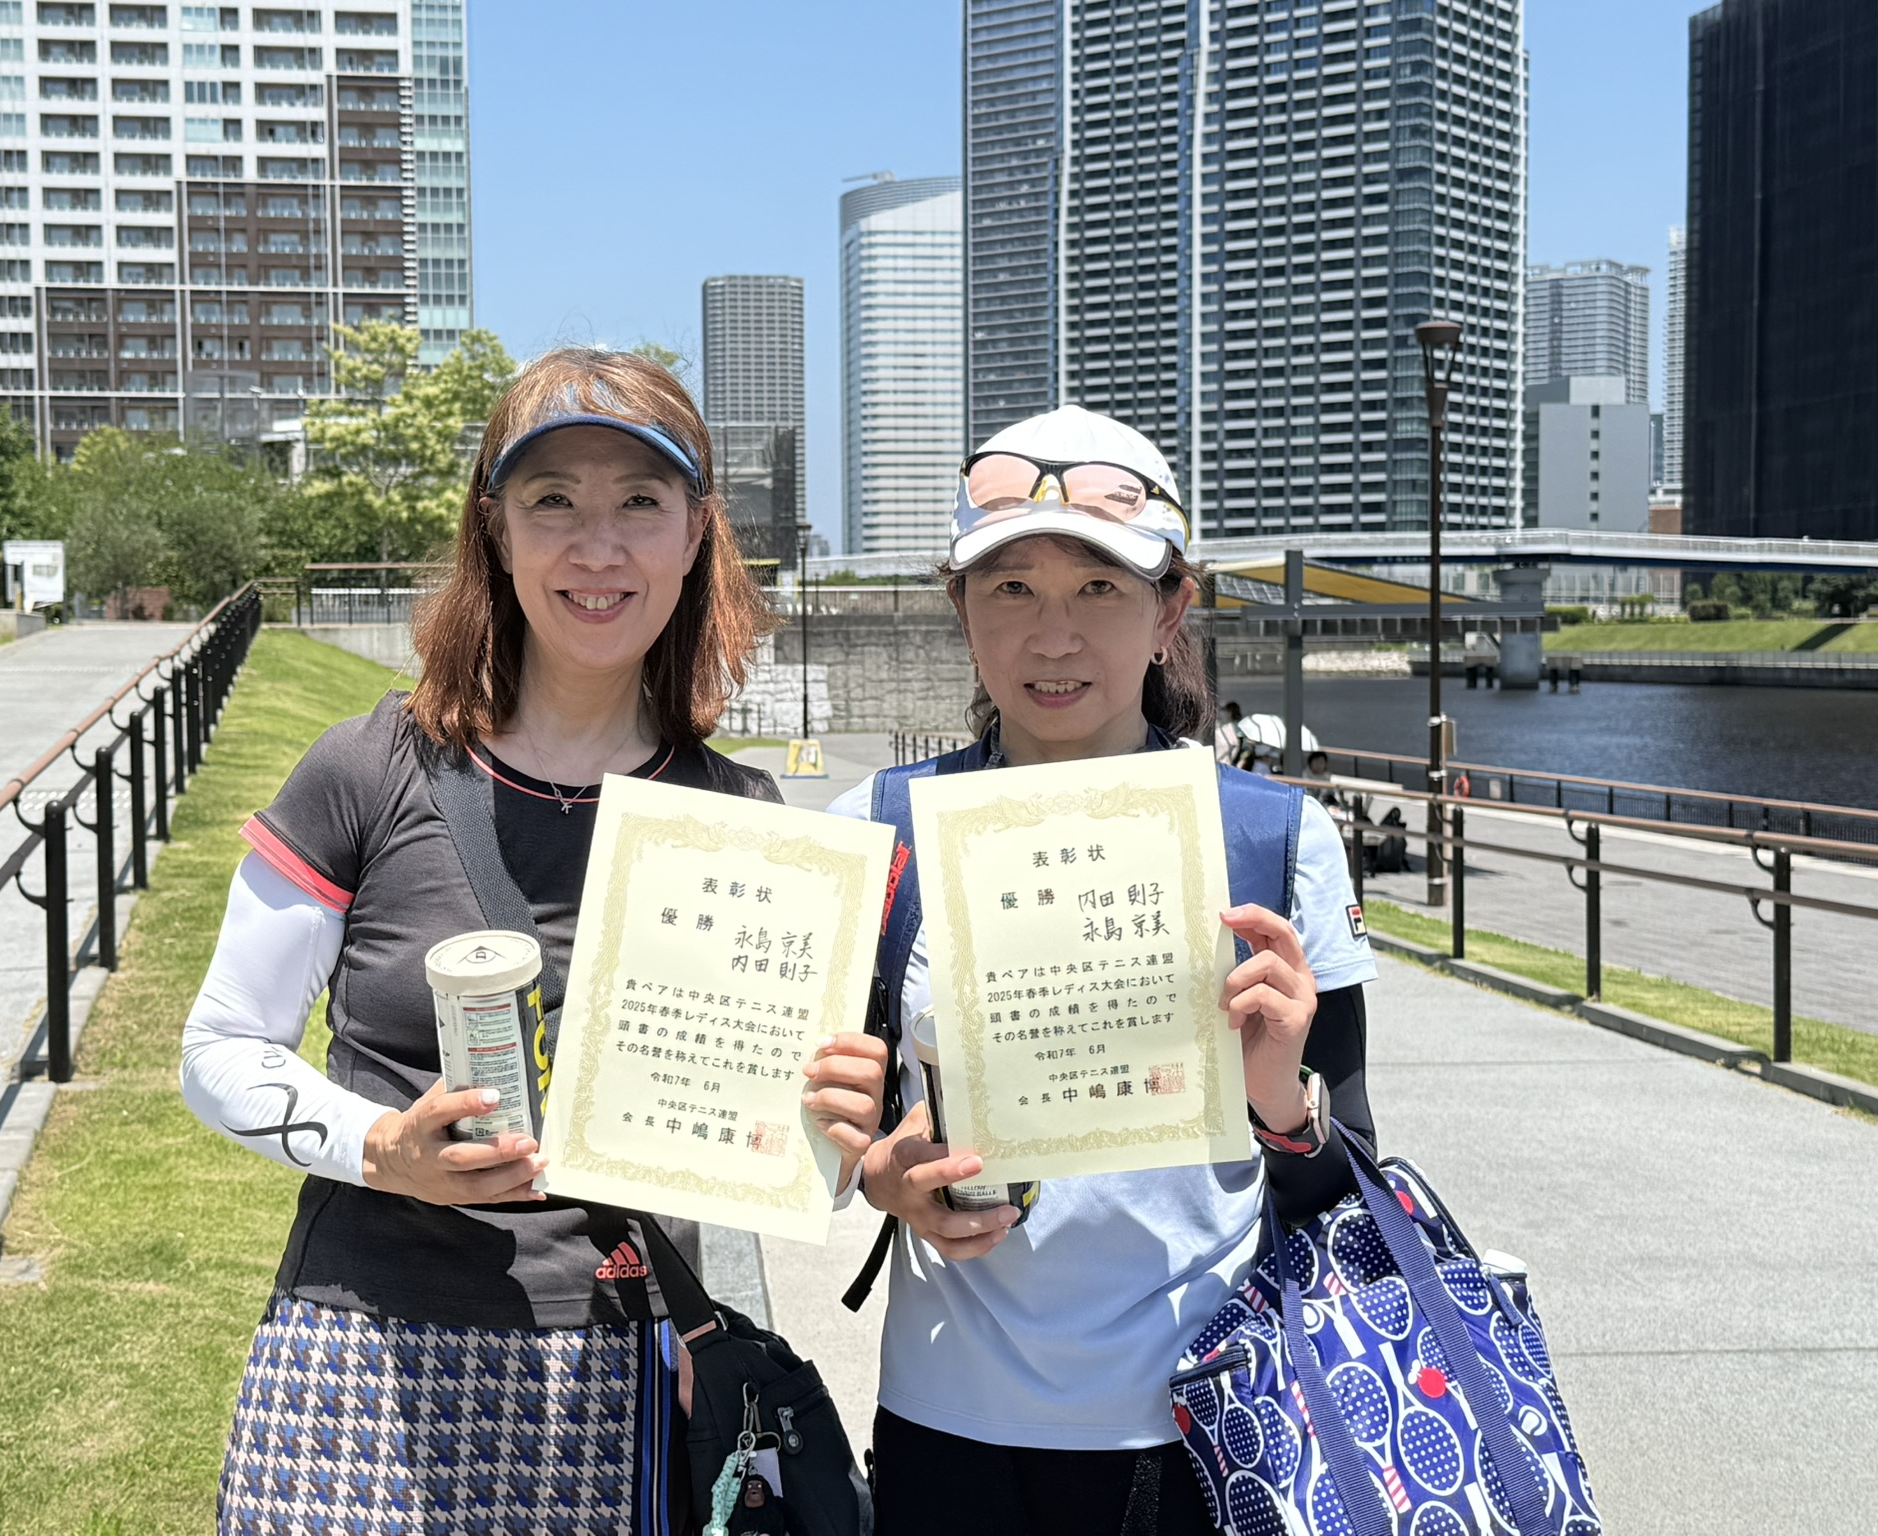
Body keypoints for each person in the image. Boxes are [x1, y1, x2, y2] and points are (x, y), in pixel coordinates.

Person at [181, 349, 888, 1535]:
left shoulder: (742, 820)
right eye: (552, 500)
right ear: (495, 531)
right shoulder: (368, 767)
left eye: (639, 503)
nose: (596, 548)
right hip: (358, 1354)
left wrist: (828, 1112)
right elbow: (218, 1049)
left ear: (694, 535)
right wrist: (380, 1148)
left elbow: (762, 1130)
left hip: (615, 1364)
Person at [831, 406, 1378, 1536]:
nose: (1053, 637)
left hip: (1210, 1415)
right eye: (1010, 589)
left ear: (1169, 608)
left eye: (1097, 588)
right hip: (948, 1422)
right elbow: (817, 1141)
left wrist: (1280, 1101)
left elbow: (1349, 1177)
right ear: (961, 609)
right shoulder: (874, 830)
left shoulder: (1277, 838)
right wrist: (881, 1178)